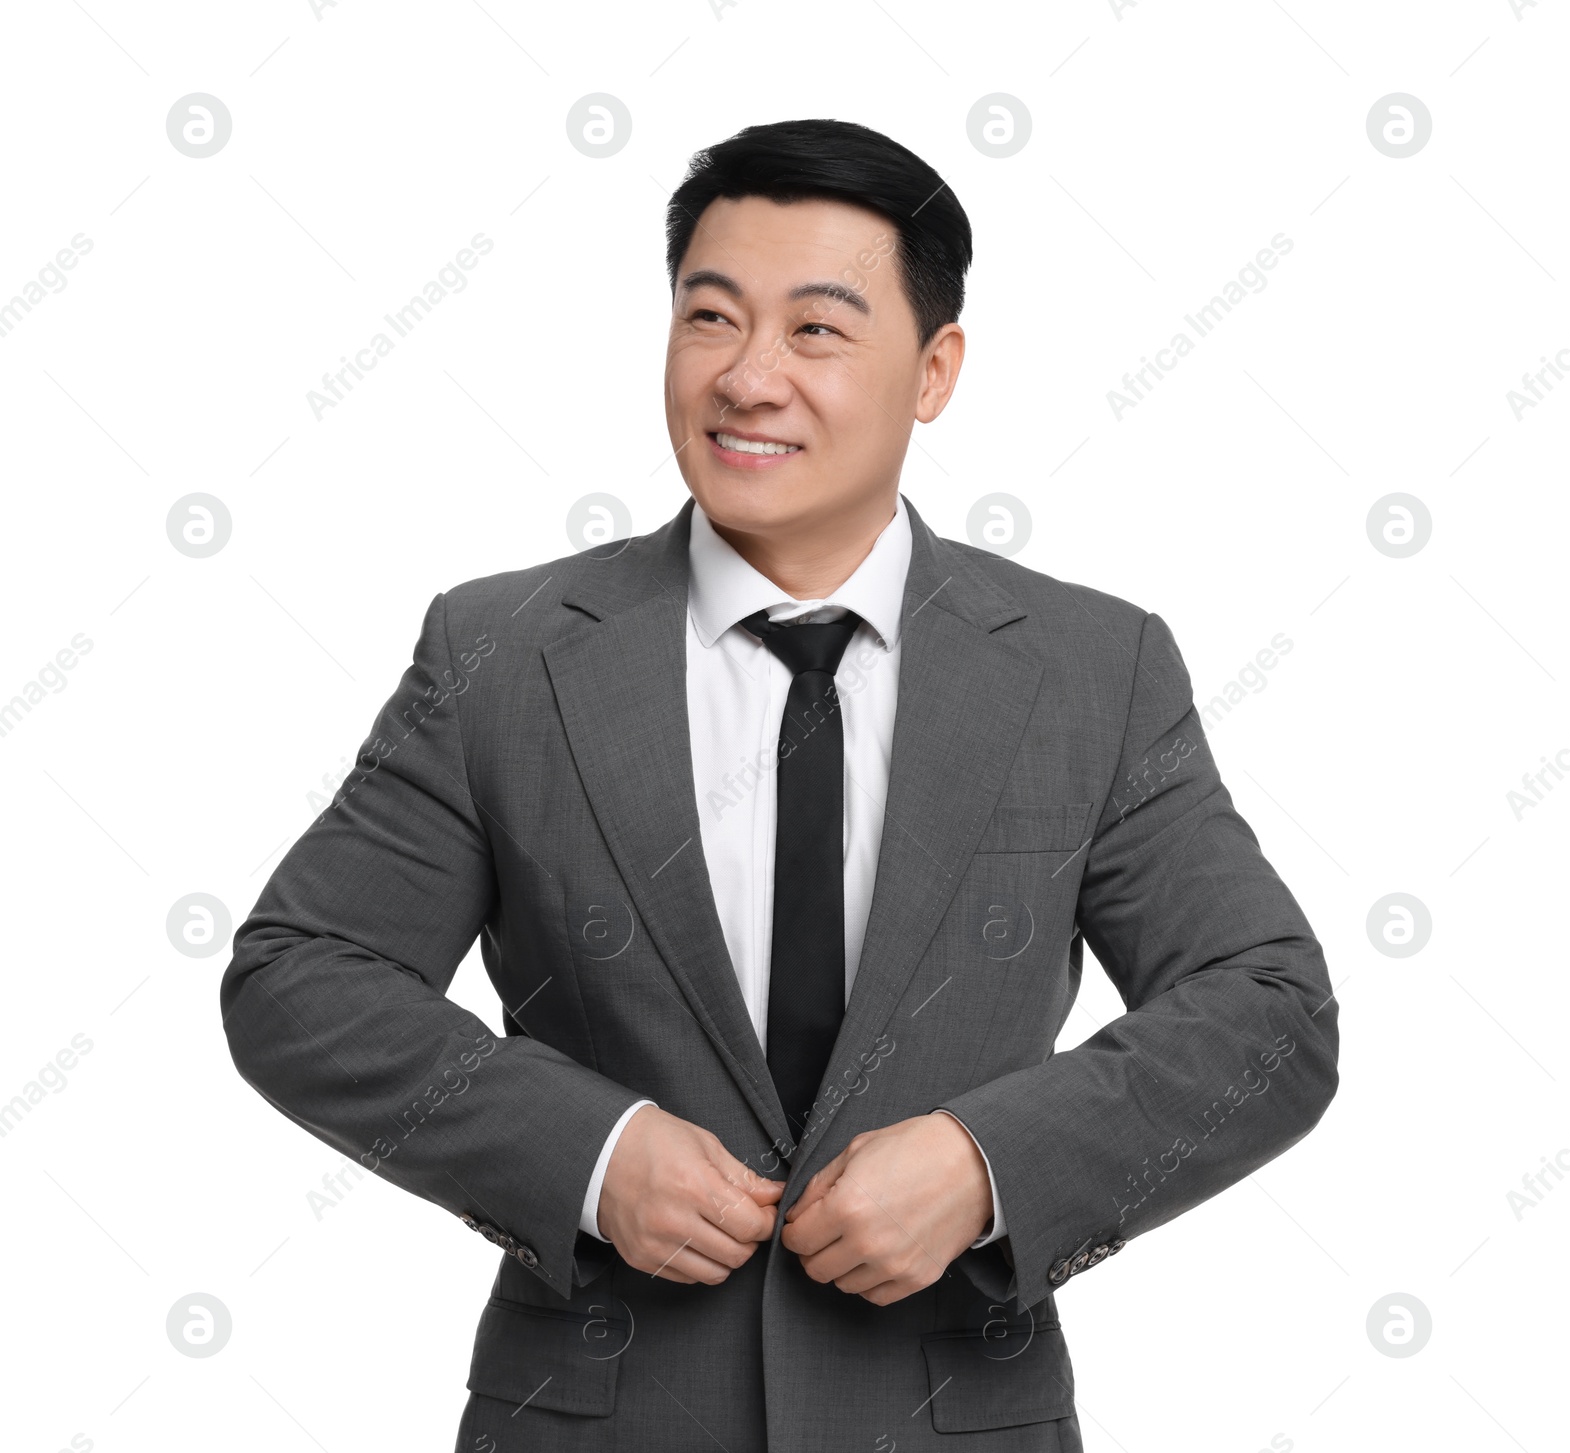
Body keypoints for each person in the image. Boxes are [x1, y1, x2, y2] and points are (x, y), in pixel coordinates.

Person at [220, 117, 1339, 1452]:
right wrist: (588, 1149)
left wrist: (988, 1165)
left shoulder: (1093, 670)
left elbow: (1266, 1016)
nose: (750, 377)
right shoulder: (503, 655)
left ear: (934, 372)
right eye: (710, 317)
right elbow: (302, 976)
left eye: (816, 330)